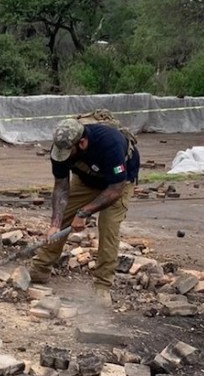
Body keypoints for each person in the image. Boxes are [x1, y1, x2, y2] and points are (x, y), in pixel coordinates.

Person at [29, 118, 140, 306]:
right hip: (86, 180)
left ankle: (102, 286)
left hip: (118, 184)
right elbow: (61, 187)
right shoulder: (60, 150)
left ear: (82, 143)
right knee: (63, 216)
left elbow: (115, 189)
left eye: (68, 153)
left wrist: (83, 214)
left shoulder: (109, 144)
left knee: (108, 227)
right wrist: (55, 224)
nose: (63, 156)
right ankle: (40, 268)